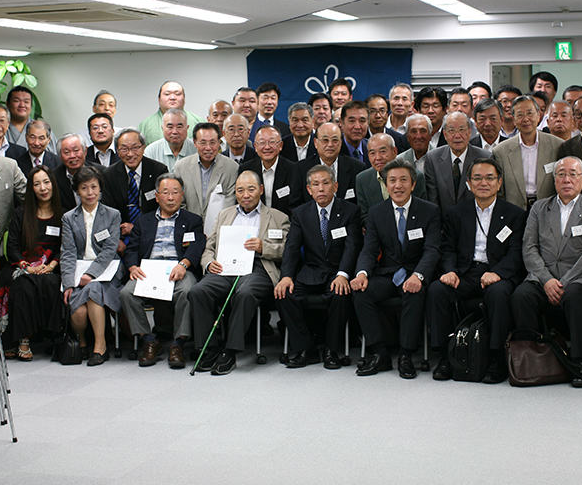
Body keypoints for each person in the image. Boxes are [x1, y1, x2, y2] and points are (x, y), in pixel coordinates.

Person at [428, 157, 527, 383]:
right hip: (465, 272)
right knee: (437, 291)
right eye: (477, 178)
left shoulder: (515, 214)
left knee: (499, 293)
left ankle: (496, 359)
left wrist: (498, 273)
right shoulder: (456, 213)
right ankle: (445, 357)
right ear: (469, 184)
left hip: (497, 272)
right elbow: (448, 248)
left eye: (490, 178)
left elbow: (516, 253)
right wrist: (450, 270)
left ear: (499, 183)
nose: (484, 183)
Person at [511, 156, 582, 387]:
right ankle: (529, 359)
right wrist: (547, 280)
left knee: (576, 296)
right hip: (542, 278)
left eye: (573, 174)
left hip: (579, 279)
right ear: (554, 180)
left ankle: (580, 361)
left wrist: (563, 281)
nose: (567, 179)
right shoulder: (539, 208)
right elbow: (529, 247)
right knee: (521, 296)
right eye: (561, 174)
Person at [189, 171, 290, 375]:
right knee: (198, 291)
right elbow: (209, 246)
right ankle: (208, 349)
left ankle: (230, 351)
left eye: (251, 189)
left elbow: (287, 250)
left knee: (244, 293)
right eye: (240, 190)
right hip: (225, 268)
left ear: (261, 190)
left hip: (258, 268)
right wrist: (209, 263)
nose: (245, 194)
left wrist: (264, 247)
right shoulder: (224, 215)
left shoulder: (278, 217)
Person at [351, 158, 442, 378]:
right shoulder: (376, 212)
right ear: (385, 184)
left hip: (415, 272)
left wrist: (419, 275)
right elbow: (370, 249)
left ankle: (406, 355)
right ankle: (380, 354)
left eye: (403, 180)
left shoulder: (429, 211)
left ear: (413, 184)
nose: (398, 185)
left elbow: (432, 250)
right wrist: (362, 273)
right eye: (392, 180)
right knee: (361, 293)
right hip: (388, 273)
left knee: (414, 291)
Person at [275, 165, 362, 369]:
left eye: (326, 183)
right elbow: (292, 248)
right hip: (311, 272)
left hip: (337, 272)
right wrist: (286, 276)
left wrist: (343, 274)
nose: (321, 188)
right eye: (316, 184)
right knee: (283, 294)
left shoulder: (350, 211)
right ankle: (306, 349)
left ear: (335, 186)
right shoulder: (300, 213)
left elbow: (352, 247)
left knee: (340, 294)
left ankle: (331, 350)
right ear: (309, 189)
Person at [120, 174, 206, 369]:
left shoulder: (192, 220)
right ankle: (149, 340)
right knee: (126, 293)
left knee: (188, 291)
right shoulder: (143, 221)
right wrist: (133, 267)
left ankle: (178, 344)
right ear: (157, 196)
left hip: (179, 268)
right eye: (165, 193)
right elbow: (132, 248)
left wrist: (183, 264)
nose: (170, 197)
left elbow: (196, 245)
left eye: (175, 193)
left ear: (182, 196)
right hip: (149, 270)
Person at [60, 165, 123, 366]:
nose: (90, 193)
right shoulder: (69, 218)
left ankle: (100, 346)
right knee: (77, 312)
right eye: (84, 188)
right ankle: (83, 341)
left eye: (94, 187)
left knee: (95, 289)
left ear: (100, 189)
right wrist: (69, 282)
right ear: (77, 191)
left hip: (106, 272)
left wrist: (91, 273)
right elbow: (68, 252)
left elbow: (109, 250)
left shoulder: (112, 215)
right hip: (78, 273)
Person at [0, 166, 64, 361]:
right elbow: (12, 248)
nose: (43, 188)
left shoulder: (64, 214)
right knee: (23, 285)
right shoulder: (21, 214)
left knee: (51, 283)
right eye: (37, 184)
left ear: (53, 184)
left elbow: (67, 246)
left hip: (51, 266)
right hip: (22, 267)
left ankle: (52, 338)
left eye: (46, 182)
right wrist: (28, 267)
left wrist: (51, 266)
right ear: (31, 189)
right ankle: (22, 340)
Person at [101, 128, 168, 254]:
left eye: (135, 148)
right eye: (124, 149)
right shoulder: (109, 174)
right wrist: (116, 239)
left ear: (144, 148)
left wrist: (139, 228)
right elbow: (108, 211)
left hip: (153, 231)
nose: (130, 154)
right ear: (117, 151)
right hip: (122, 234)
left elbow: (164, 208)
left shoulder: (158, 170)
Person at [493, 96, 563, 211]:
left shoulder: (557, 145)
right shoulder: (501, 151)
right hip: (514, 210)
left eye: (530, 113)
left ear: (539, 115)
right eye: (520, 115)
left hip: (549, 209)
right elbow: (500, 191)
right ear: (514, 119)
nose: (525, 119)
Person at [423, 111, 490, 220]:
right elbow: (433, 198)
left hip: (476, 221)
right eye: (452, 130)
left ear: (469, 132)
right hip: (444, 224)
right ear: (445, 134)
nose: (457, 135)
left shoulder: (484, 157)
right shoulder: (433, 158)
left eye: (462, 130)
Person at [173, 123, 239, 226]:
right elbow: (179, 203)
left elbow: (229, 204)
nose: (208, 148)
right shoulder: (181, 167)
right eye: (203, 143)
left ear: (219, 143)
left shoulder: (231, 168)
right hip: (188, 228)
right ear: (195, 143)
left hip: (220, 227)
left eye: (212, 142)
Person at [289, 122, 365, 208]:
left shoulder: (357, 167)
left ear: (341, 143)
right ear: (315, 142)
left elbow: (361, 205)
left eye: (335, 140)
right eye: (325, 140)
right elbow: (295, 205)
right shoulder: (301, 168)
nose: (330, 145)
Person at [356, 133, 427, 225]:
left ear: (394, 152)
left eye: (383, 151)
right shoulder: (362, 179)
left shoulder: (415, 176)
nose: (378, 158)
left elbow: (422, 211)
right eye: (372, 153)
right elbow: (364, 215)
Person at [238, 125, 295, 216]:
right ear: (255, 146)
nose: (267, 147)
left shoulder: (293, 170)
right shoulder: (245, 169)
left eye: (272, 142)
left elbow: (296, 205)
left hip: (284, 223)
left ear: (280, 145)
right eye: (262, 143)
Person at [138, 81, 203, 144]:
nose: (172, 97)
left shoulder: (199, 122)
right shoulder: (145, 126)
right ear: (159, 99)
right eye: (167, 94)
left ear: (184, 99)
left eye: (177, 94)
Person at [5, 86, 59, 154]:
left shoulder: (43, 128)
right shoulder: (0, 128)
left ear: (31, 106)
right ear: (7, 104)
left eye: (26, 102)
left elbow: (55, 157)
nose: (22, 105)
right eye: (16, 101)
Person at [53, 133, 90, 212]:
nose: (72, 156)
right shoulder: (53, 177)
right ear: (60, 157)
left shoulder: (101, 172)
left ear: (85, 151)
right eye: (66, 152)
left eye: (76, 150)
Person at [339, 100, 371, 168]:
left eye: (362, 121)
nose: (357, 127)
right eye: (352, 121)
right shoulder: (335, 150)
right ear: (342, 123)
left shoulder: (372, 148)